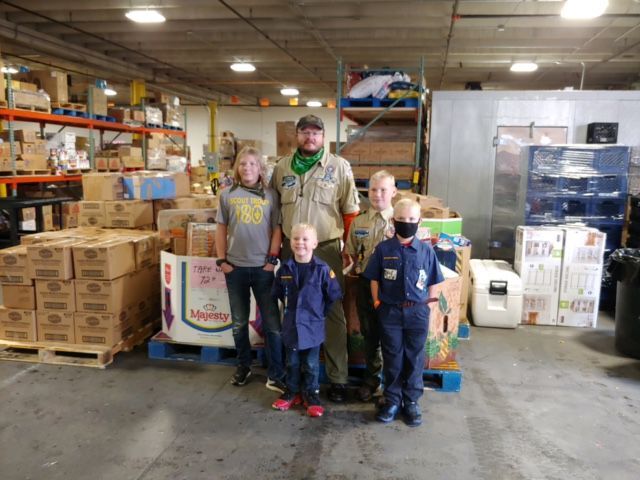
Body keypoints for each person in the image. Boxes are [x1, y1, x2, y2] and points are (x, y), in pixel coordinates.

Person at [270, 114, 360, 402]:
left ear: (324, 137)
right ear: (297, 135)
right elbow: (274, 213)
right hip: (291, 249)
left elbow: (350, 212)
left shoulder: (339, 167)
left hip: (326, 250)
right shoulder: (281, 167)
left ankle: (337, 378)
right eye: (305, 132)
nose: (310, 137)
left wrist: (348, 246)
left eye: (316, 133)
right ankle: (292, 378)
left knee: (333, 311)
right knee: (292, 309)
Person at [363, 198, 444, 427]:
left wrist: (428, 304)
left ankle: (411, 402)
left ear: (419, 221)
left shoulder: (426, 251)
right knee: (393, 356)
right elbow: (374, 279)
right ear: (393, 220)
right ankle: (392, 400)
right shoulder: (383, 249)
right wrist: (378, 302)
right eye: (401, 219)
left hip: (418, 313)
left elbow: (435, 279)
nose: (406, 223)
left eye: (411, 219)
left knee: (414, 357)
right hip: (390, 313)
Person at [215, 146, 286, 393]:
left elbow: (277, 228)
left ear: (260, 168)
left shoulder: (271, 195)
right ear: (237, 167)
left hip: (262, 268)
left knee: (272, 324)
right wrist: (222, 260)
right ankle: (243, 366)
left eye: (252, 164)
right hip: (235, 268)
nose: (247, 168)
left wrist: (272, 259)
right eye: (243, 164)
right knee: (239, 322)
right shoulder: (227, 195)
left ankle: (276, 373)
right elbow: (221, 229)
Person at [271, 223, 343, 417]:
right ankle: (292, 392)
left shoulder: (322, 269)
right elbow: (278, 293)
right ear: (290, 242)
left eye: (305, 239)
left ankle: (311, 395)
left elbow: (332, 295)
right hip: (291, 326)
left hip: (313, 327)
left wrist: (319, 314)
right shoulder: (285, 269)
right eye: (296, 238)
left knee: (310, 364)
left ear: (314, 243)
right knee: (292, 363)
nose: (300, 242)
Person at [344, 170, 397, 402]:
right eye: (373, 189)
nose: (377, 194)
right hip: (367, 284)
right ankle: (371, 380)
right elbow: (351, 255)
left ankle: (393, 385)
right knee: (370, 334)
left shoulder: (401, 219)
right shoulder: (359, 221)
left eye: (383, 189)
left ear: (393, 192)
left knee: (393, 336)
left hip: (394, 288)